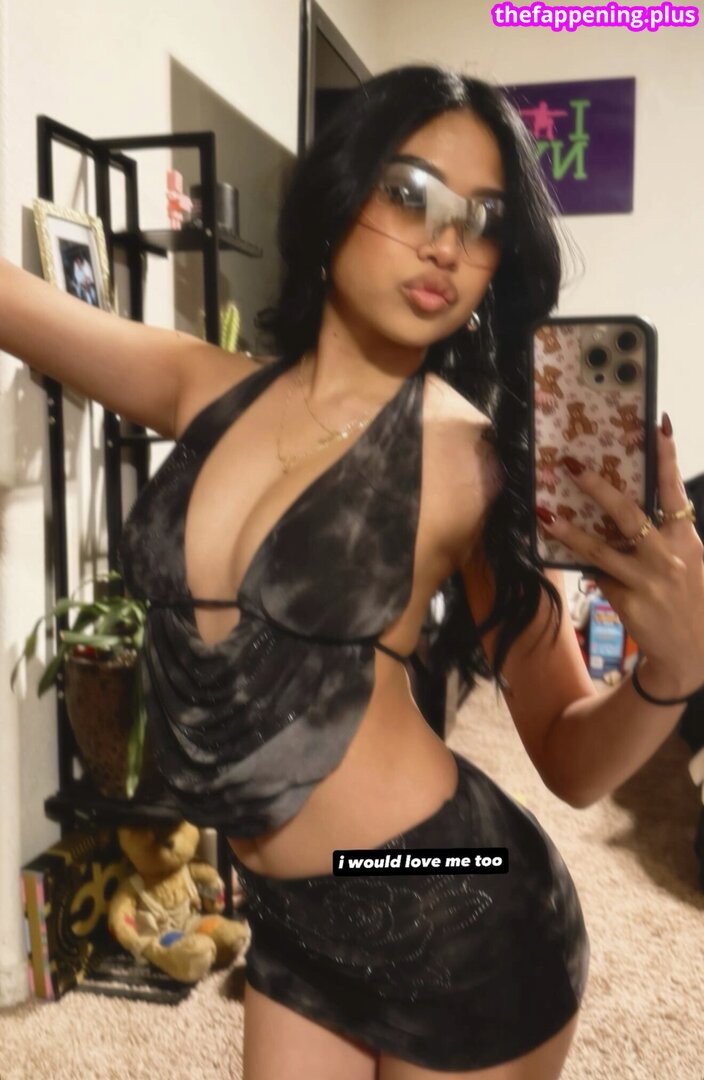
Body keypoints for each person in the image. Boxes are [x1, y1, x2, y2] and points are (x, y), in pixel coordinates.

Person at [3, 63, 703, 1079]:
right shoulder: (201, 385)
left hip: (456, 895)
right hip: (290, 921)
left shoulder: (476, 463)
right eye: (410, 194)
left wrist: (672, 670)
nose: (446, 243)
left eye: (483, 219)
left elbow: (570, 759)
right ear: (338, 199)